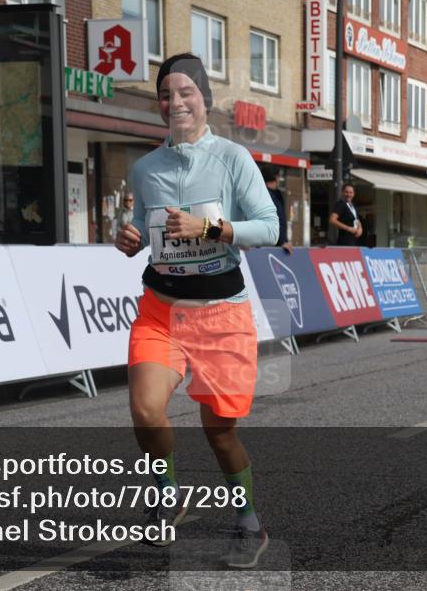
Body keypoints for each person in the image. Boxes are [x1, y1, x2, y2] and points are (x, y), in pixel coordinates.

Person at [114, 53, 278, 567]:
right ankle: (169, 496)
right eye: (166, 94)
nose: (176, 102)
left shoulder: (232, 158)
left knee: (219, 431)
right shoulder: (145, 168)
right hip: (161, 311)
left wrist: (209, 228)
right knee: (145, 409)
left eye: (186, 92)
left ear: (204, 98)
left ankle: (249, 523)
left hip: (221, 314)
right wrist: (131, 238)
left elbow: (269, 227)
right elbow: (146, 228)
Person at [260, 164, 292, 254]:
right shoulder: (270, 196)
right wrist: (282, 241)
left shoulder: (270, 194)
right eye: (278, 176)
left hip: (274, 244)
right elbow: (276, 220)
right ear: (276, 177)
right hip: (272, 246)